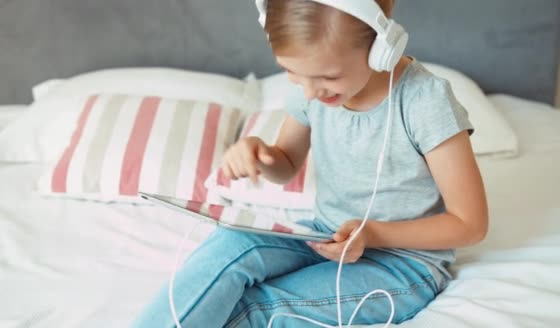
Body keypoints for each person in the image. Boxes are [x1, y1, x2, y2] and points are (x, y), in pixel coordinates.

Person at [133, 0, 488, 326]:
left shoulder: (424, 101)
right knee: (232, 246)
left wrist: (374, 234)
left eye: (329, 78)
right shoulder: (313, 88)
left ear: (382, 48)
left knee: (260, 306)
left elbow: (470, 224)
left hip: (402, 265)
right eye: (291, 73)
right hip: (322, 234)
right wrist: (261, 154)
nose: (309, 92)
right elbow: (285, 162)